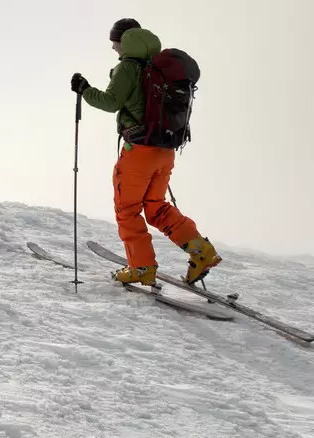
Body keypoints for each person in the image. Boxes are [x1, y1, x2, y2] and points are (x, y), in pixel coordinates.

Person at [70, 17, 223, 288]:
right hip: (165, 150)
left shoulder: (128, 68)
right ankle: (202, 252)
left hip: (139, 150)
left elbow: (111, 102)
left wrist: (85, 90)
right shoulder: (157, 67)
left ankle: (141, 267)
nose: (114, 49)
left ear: (124, 40)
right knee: (155, 206)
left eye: (115, 42)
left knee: (127, 209)